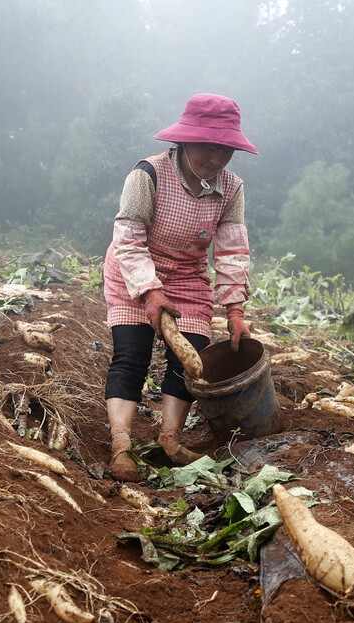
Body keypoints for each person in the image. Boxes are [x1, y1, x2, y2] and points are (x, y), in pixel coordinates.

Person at [102, 93, 257, 482]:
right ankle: (121, 444)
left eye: (226, 150)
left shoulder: (232, 189)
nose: (217, 158)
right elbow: (129, 238)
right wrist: (150, 292)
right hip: (134, 271)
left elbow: (232, 251)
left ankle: (170, 439)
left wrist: (235, 312)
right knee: (131, 354)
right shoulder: (147, 174)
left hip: (188, 277)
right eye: (209, 146)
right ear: (186, 139)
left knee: (191, 360)